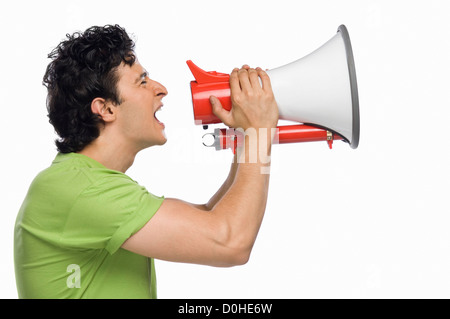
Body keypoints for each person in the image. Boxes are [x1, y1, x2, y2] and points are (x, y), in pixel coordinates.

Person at [14, 24, 279, 299]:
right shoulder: (81, 188)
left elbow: (211, 217)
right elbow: (230, 241)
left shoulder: (80, 182)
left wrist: (248, 138)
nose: (161, 89)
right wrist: (257, 133)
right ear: (105, 108)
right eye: (142, 81)